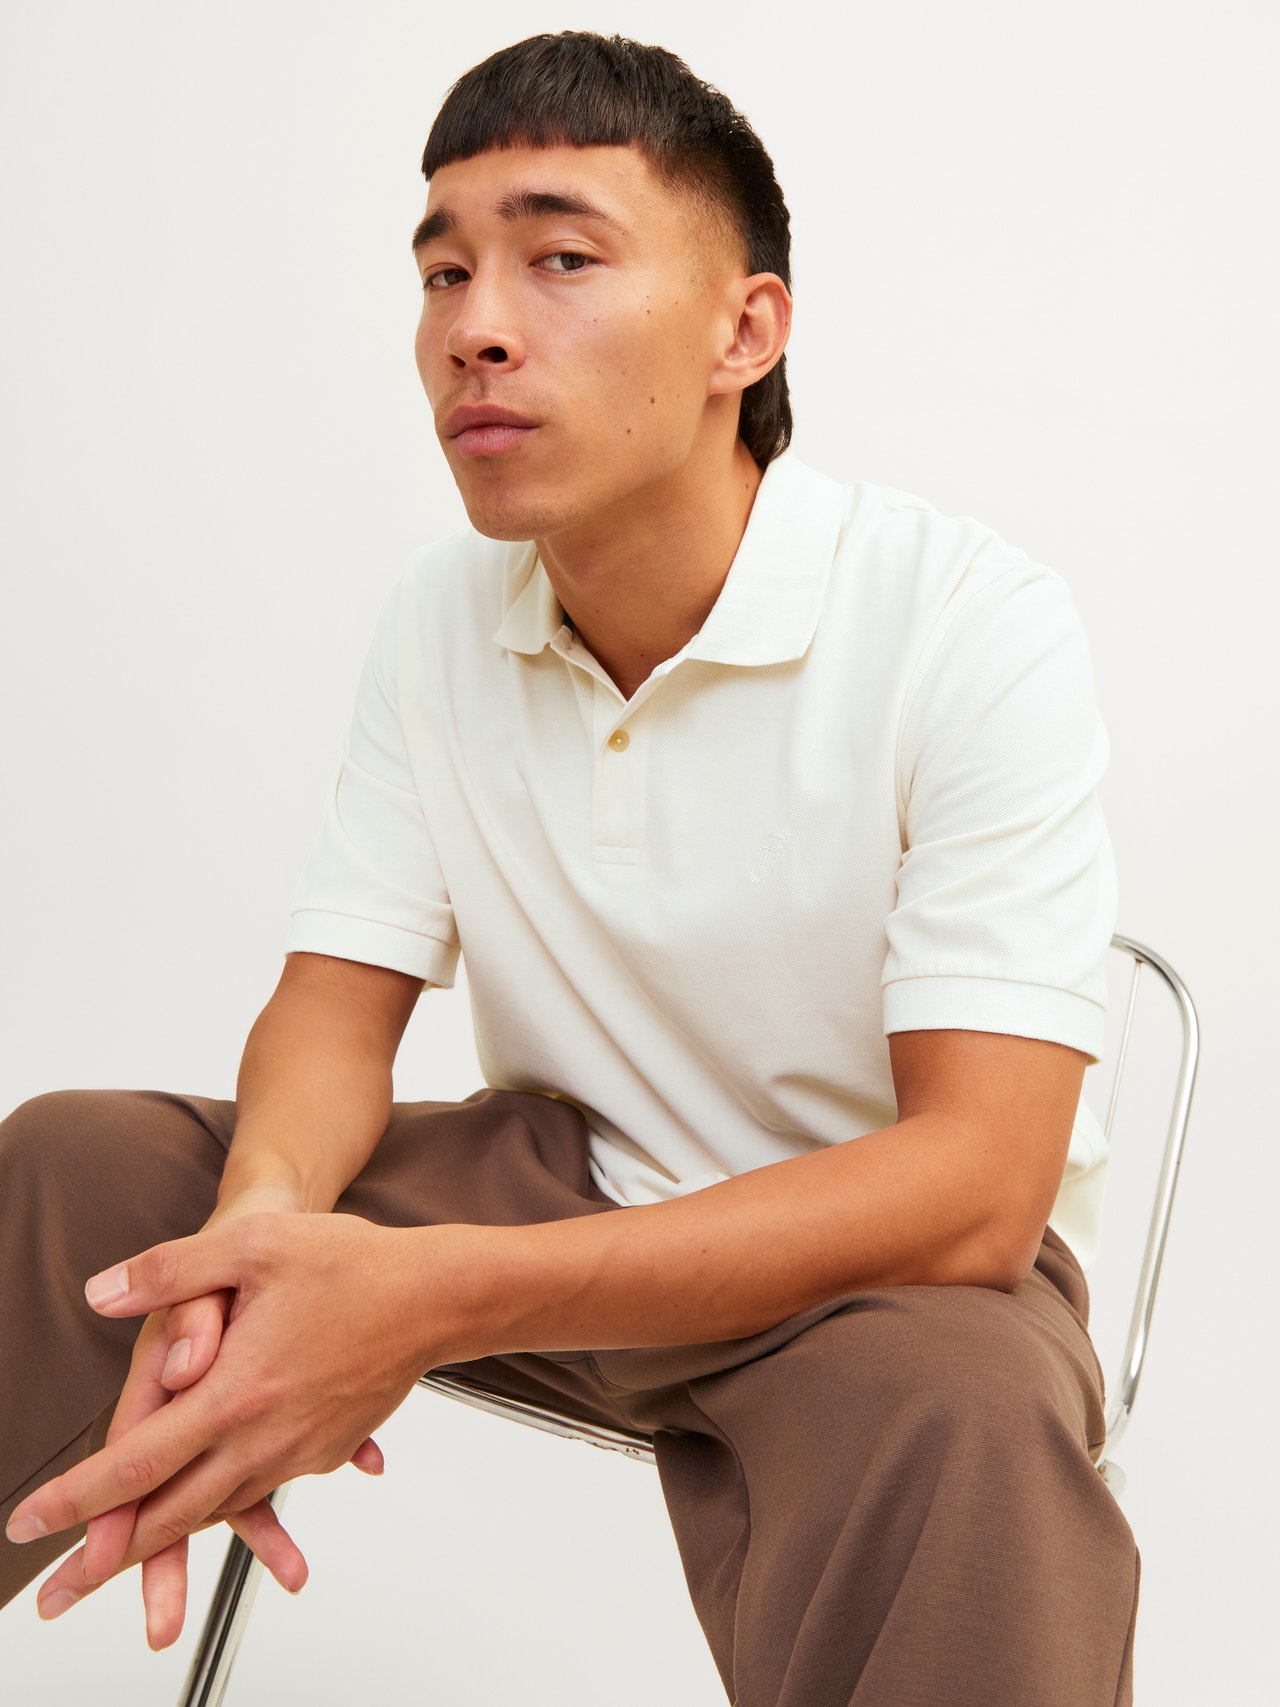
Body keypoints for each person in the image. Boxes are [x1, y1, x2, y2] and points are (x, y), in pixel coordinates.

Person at [0, 30, 1139, 1706]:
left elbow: (977, 1190)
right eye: (443, 271)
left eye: (561, 259)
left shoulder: (969, 621)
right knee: (77, 1170)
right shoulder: (441, 615)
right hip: (564, 1180)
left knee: (969, 1409)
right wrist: (264, 1241)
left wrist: (425, 1298)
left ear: (744, 331)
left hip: (866, 1270)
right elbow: (333, 1011)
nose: (476, 324)